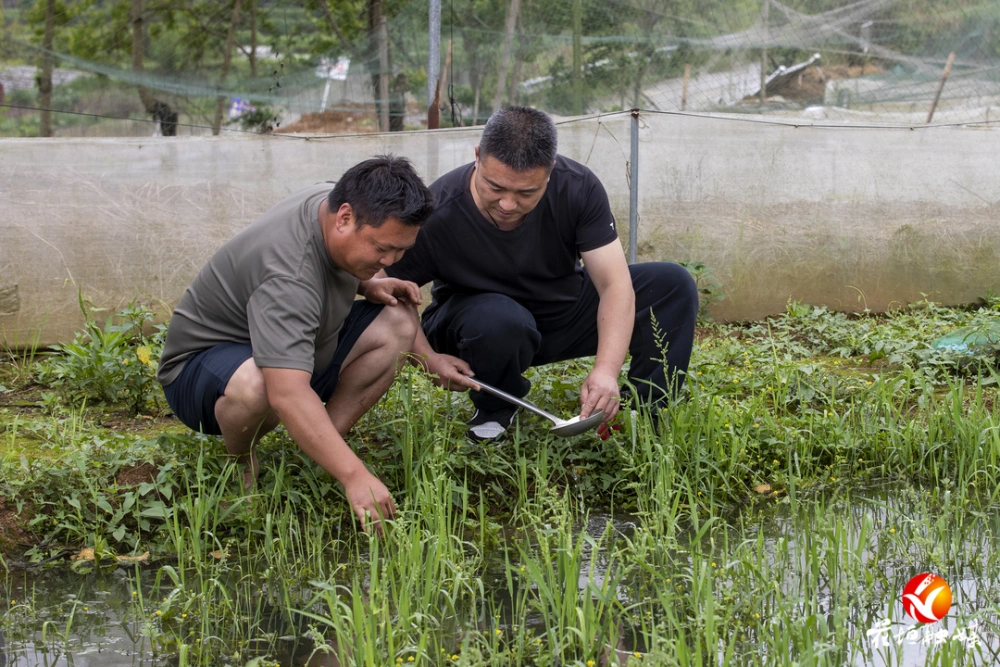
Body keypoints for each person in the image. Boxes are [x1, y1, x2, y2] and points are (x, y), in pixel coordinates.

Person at [383, 106, 700, 441]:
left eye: (526, 193)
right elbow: (386, 291)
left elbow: (614, 285)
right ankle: (493, 409)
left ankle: (647, 409)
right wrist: (427, 357)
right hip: (476, 329)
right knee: (500, 320)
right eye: (495, 187)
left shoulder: (578, 188)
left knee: (671, 284)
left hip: (559, 312)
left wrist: (605, 371)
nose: (507, 204)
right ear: (477, 157)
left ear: (549, 173)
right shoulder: (438, 210)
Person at [157, 155, 433, 531]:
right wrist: (355, 476)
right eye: (381, 249)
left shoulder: (329, 198)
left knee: (398, 322)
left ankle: (320, 446)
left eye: (401, 251)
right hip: (202, 369)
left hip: (300, 345)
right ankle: (241, 465)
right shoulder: (288, 275)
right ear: (345, 218)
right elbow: (285, 392)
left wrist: (368, 282)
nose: (390, 260)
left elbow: (346, 263)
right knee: (258, 385)